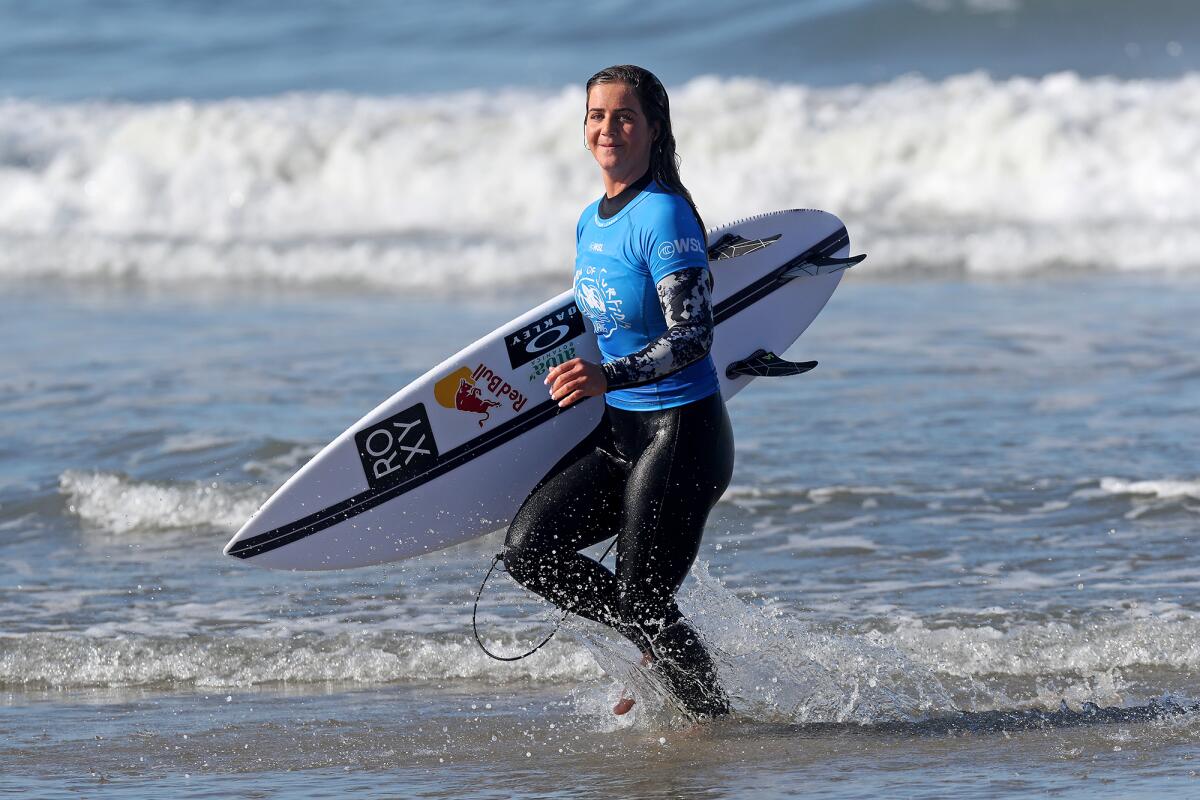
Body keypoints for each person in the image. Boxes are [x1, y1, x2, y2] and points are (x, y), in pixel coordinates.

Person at [502, 65, 734, 719]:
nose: (609, 128)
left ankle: (712, 729)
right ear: (583, 130)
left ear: (653, 130)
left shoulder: (663, 215)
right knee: (530, 552)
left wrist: (610, 377)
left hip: (681, 434)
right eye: (597, 115)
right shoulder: (589, 222)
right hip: (622, 434)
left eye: (625, 115)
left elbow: (691, 338)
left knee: (644, 601)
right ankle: (656, 658)